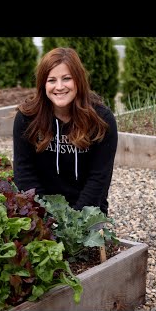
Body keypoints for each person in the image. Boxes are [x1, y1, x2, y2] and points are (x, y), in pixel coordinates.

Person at [12, 47, 118, 215]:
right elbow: (24, 172)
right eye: (51, 80)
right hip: (41, 209)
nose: (59, 87)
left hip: (88, 211)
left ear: (78, 80)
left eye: (67, 78)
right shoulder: (27, 118)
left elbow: (99, 179)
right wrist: (46, 215)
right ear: (43, 84)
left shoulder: (101, 120)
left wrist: (74, 220)